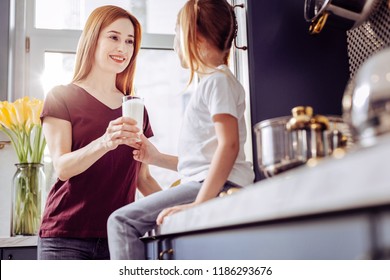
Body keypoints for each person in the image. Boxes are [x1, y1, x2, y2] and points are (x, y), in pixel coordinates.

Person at [107, 0, 254, 260]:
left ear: (194, 37)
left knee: (121, 222)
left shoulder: (216, 82)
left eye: (177, 34)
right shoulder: (218, 82)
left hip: (218, 187)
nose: (175, 45)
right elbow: (203, 161)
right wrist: (156, 158)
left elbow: (228, 146)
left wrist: (198, 205)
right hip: (214, 183)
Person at [38, 5, 161, 260]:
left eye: (130, 41)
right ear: (93, 39)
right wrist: (105, 142)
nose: (123, 48)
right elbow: (62, 167)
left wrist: (188, 209)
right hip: (66, 237)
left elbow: (144, 179)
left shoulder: (135, 107)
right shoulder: (61, 97)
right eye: (114, 37)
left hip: (120, 237)